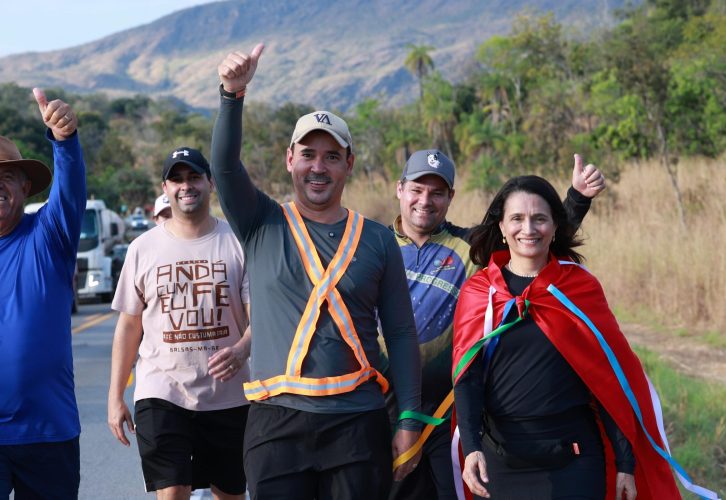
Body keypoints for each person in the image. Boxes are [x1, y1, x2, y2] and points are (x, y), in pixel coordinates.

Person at [211, 43, 422, 500]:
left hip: (357, 423)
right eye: (308, 154)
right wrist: (232, 94)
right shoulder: (261, 221)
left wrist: (408, 418)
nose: (318, 167)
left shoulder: (378, 238)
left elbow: (402, 333)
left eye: (331, 156)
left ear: (349, 164)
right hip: (276, 424)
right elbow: (224, 167)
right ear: (290, 160)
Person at [386, 150, 606, 499]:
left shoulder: (470, 247)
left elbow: (530, 239)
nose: (425, 200)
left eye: (437, 192)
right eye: (416, 189)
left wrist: (576, 199)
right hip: (382, 405)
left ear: (450, 197)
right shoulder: (373, 244)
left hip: (447, 411)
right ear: (400, 189)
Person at [451, 175, 682, 499]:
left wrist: (625, 463)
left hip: (574, 460)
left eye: (539, 219)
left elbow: (609, 380)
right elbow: (467, 378)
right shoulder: (479, 294)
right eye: (517, 218)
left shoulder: (579, 288)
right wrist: (472, 448)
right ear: (501, 227)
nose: (528, 229)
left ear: (556, 226)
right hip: (502, 463)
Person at [107, 147, 252, 500]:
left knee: (230, 493)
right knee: (172, 491)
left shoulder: (237, 242)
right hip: (162, 391)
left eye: (193, 177)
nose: (186, 186)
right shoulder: (143, 248)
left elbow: (258, 315)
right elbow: (129, 325)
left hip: (229, 396)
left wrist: (242, 349)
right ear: (165, 188)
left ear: (210, 183)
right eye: (177, 179)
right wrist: (115, 396)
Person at [0, 89, 86, 498]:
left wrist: (64, 140)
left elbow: (70, 192)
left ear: (24, 185)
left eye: (7, 175)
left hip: (47, 433)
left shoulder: (48, 235)